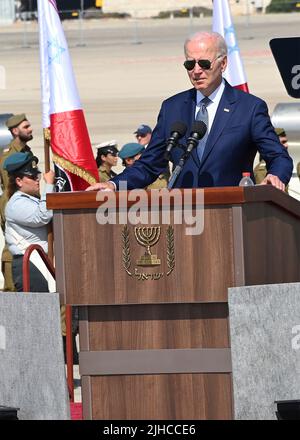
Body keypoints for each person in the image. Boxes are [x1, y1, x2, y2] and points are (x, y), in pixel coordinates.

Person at [87, 31, 293, 193]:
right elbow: (150, 164)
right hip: (183, 216)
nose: (196, 70)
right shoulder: (172, 108)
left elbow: (279, 157)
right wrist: (113, 185)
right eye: (189, 63)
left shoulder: (249, 108)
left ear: (223, 63)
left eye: (204, 63)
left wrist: (275, 176)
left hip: (232, 213)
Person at [3, 152, 54, 292]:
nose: (38, 180)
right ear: (19, 181)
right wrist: (49, 185)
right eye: (32, 177)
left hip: (40, 261)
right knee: (37, 311)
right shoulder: (16, 203)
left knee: (49, 310)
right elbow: (42, 216)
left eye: (37, 176)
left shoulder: (31, 199)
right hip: (30, 264)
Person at [0, 113, 34, 292]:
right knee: (14, 244)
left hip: (25, 202)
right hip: (13, 205)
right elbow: (10, 187)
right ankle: (11, 284)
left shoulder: (26, 151)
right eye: (26, 127)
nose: (30, 129)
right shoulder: (9, 156)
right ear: (15, 131)